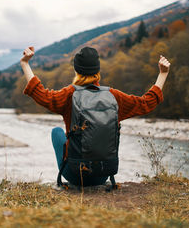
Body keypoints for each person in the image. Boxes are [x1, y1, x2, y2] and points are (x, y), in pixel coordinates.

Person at [20, 46, 170, 186]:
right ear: (98, 71)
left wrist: (25, 64)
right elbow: (146, 103)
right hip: (103, 174)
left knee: (56, 132)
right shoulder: (113, 96)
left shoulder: (69, 95)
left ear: (76, 71)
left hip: (74, 174)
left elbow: (41, 94)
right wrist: (163, 74)